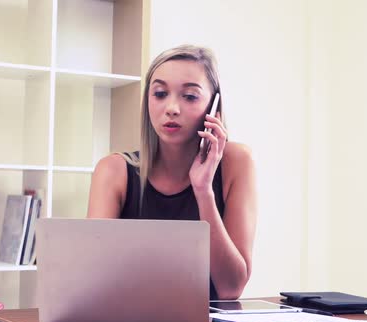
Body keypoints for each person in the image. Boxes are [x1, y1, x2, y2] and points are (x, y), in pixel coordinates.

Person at [87, 45, 257, 300]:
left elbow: (231, 288)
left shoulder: (237, 162)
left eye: (189, 96)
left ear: (214, 107)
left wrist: (203, 191)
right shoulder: (114, 170)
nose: (172, 108)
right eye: (160, 93)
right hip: (127, 320)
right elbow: (91, 279)